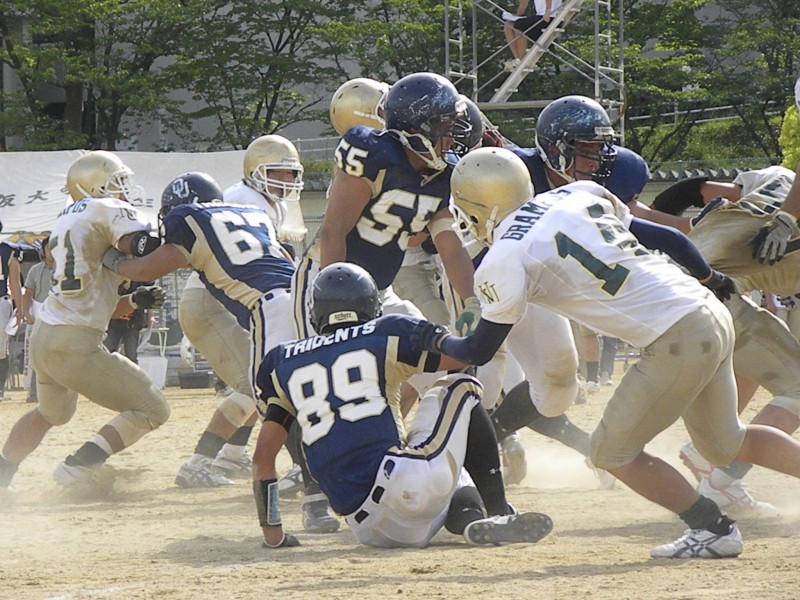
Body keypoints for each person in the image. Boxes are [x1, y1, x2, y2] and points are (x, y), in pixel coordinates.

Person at [420, 146, 788, 558]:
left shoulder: (502, 257)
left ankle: (713, 529)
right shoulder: (574, 194)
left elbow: (479, 349)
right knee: (725, 442)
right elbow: (665, 237)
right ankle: (715, 526)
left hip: (675, 336)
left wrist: (430, 340)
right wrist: (710, 277)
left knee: (610, 453)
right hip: (708, 311)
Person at [253, 262, 553, 549]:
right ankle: (500, 512)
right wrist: (494, 314)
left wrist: (273, 533)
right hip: (402, 487)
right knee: (461, 387)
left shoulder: (281, 361)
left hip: (367, 529)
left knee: (438, 467)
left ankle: (469, 519)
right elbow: (471, 354)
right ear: (372, 304)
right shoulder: (385, 331)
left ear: (315, 312)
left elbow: (262, 458)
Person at [628, 163, 800, 514]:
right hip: (709, 297)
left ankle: (709, 447)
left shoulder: (774, 179)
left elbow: (699, 189)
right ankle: (722, 478)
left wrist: (653, 213)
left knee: (757, 361)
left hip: (674, 285)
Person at [0, 150, 169, 494]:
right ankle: (80, 465)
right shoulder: (105, 209)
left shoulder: (68, 218)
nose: (124, 190)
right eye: (117, 183)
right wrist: (175, 242)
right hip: (75, 344)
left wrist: (134, 300)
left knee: (50, 414)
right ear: (95, 186)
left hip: (46, 336)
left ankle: (2, 476)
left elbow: (96, 300)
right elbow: (140, 248)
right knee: (153, 408)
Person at [22, 236, 55, 404]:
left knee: (57, 354)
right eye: (48, 248)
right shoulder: (35, 270)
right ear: (43, 250)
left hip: (58, 317)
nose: (51, 252)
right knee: (36, 355)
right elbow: (28, 293)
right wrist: (26, 313)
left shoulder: (64, 270)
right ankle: (34, 392)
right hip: (38, 317)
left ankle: (57, 393)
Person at [104, 280, 152, 364]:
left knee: (131, 355)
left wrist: (150, 316)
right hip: (113, 321)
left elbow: (150, 294)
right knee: (107, 353)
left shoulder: (141, 277)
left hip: (133, 321)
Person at [503, 0, 563, 68]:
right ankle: (518, 58)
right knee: (508, 25)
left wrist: (547, 11)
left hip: (550, 17)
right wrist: (517, 15)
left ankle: (521, 60)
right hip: (541, 17)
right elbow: (524, 1)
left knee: (519, 26)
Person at [0, 236, 24, 401]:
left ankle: (0, 389)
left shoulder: (8, 250)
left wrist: (19, 310)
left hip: (1, 300)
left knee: (1, 349)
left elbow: (15, 282)